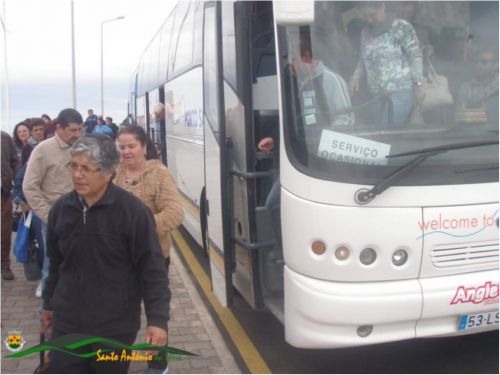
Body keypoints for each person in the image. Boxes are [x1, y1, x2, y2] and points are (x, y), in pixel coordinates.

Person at [41, 134, 170, 373]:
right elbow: (55, 264)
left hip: (114, 329)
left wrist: (158, 321)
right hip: (68, 324)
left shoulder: (133, 213)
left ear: (109, 171)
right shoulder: (61, 210)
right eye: (74, 166)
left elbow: (153, 271)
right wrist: (48, 304)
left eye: (87, 169)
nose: (78, 175)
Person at [114, 125, 182, 373]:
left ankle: (157, 365)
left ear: (143, 146)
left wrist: (139, 228)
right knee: (120, 314)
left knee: (156, 316)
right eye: (121, 147)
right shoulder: (114, 174)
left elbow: (175, 214)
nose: (127, 152)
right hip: (120, 261)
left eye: (131, 146)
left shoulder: (159, 173)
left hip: (153, 258)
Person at [23, 108, 84, 297]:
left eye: (79, 130)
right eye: (73, 130)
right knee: (52, 262)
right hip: (53, 217)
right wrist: (48, 214)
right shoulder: (43, 150)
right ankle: (48, 304)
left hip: (81, 214)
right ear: (59, 128)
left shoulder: (83, 148)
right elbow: (29, 186)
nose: (77, 134)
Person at [349, 1, 424, 126]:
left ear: (382, 6)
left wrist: (418, 85)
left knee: (388, 131)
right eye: (366, 16)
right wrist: (355, 77)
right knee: (381, 131)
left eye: (372, 15)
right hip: (376, 96)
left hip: (400, 93)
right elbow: (363, 59)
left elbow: (415, 57)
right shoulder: (365, 33)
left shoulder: (402, 27)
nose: (369, 20)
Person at [12, 124, 47, 295]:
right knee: (43, 247)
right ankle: (44, 281)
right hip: (38, 212)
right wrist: (25, 204)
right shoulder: (33, 160)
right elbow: (18, 186)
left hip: (57, 210)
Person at [455, 49, 499, 124]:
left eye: (484, 62)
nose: (478, 65)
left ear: (496, 65)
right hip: (474, 133)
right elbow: (460, 117)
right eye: (476, 62)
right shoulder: (465, 88)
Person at [1, 131, 19, 280]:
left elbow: (15, 161)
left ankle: (4, 265)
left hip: (3, 194)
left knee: (4, 232)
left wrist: (13, 178)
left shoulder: (4, 137)